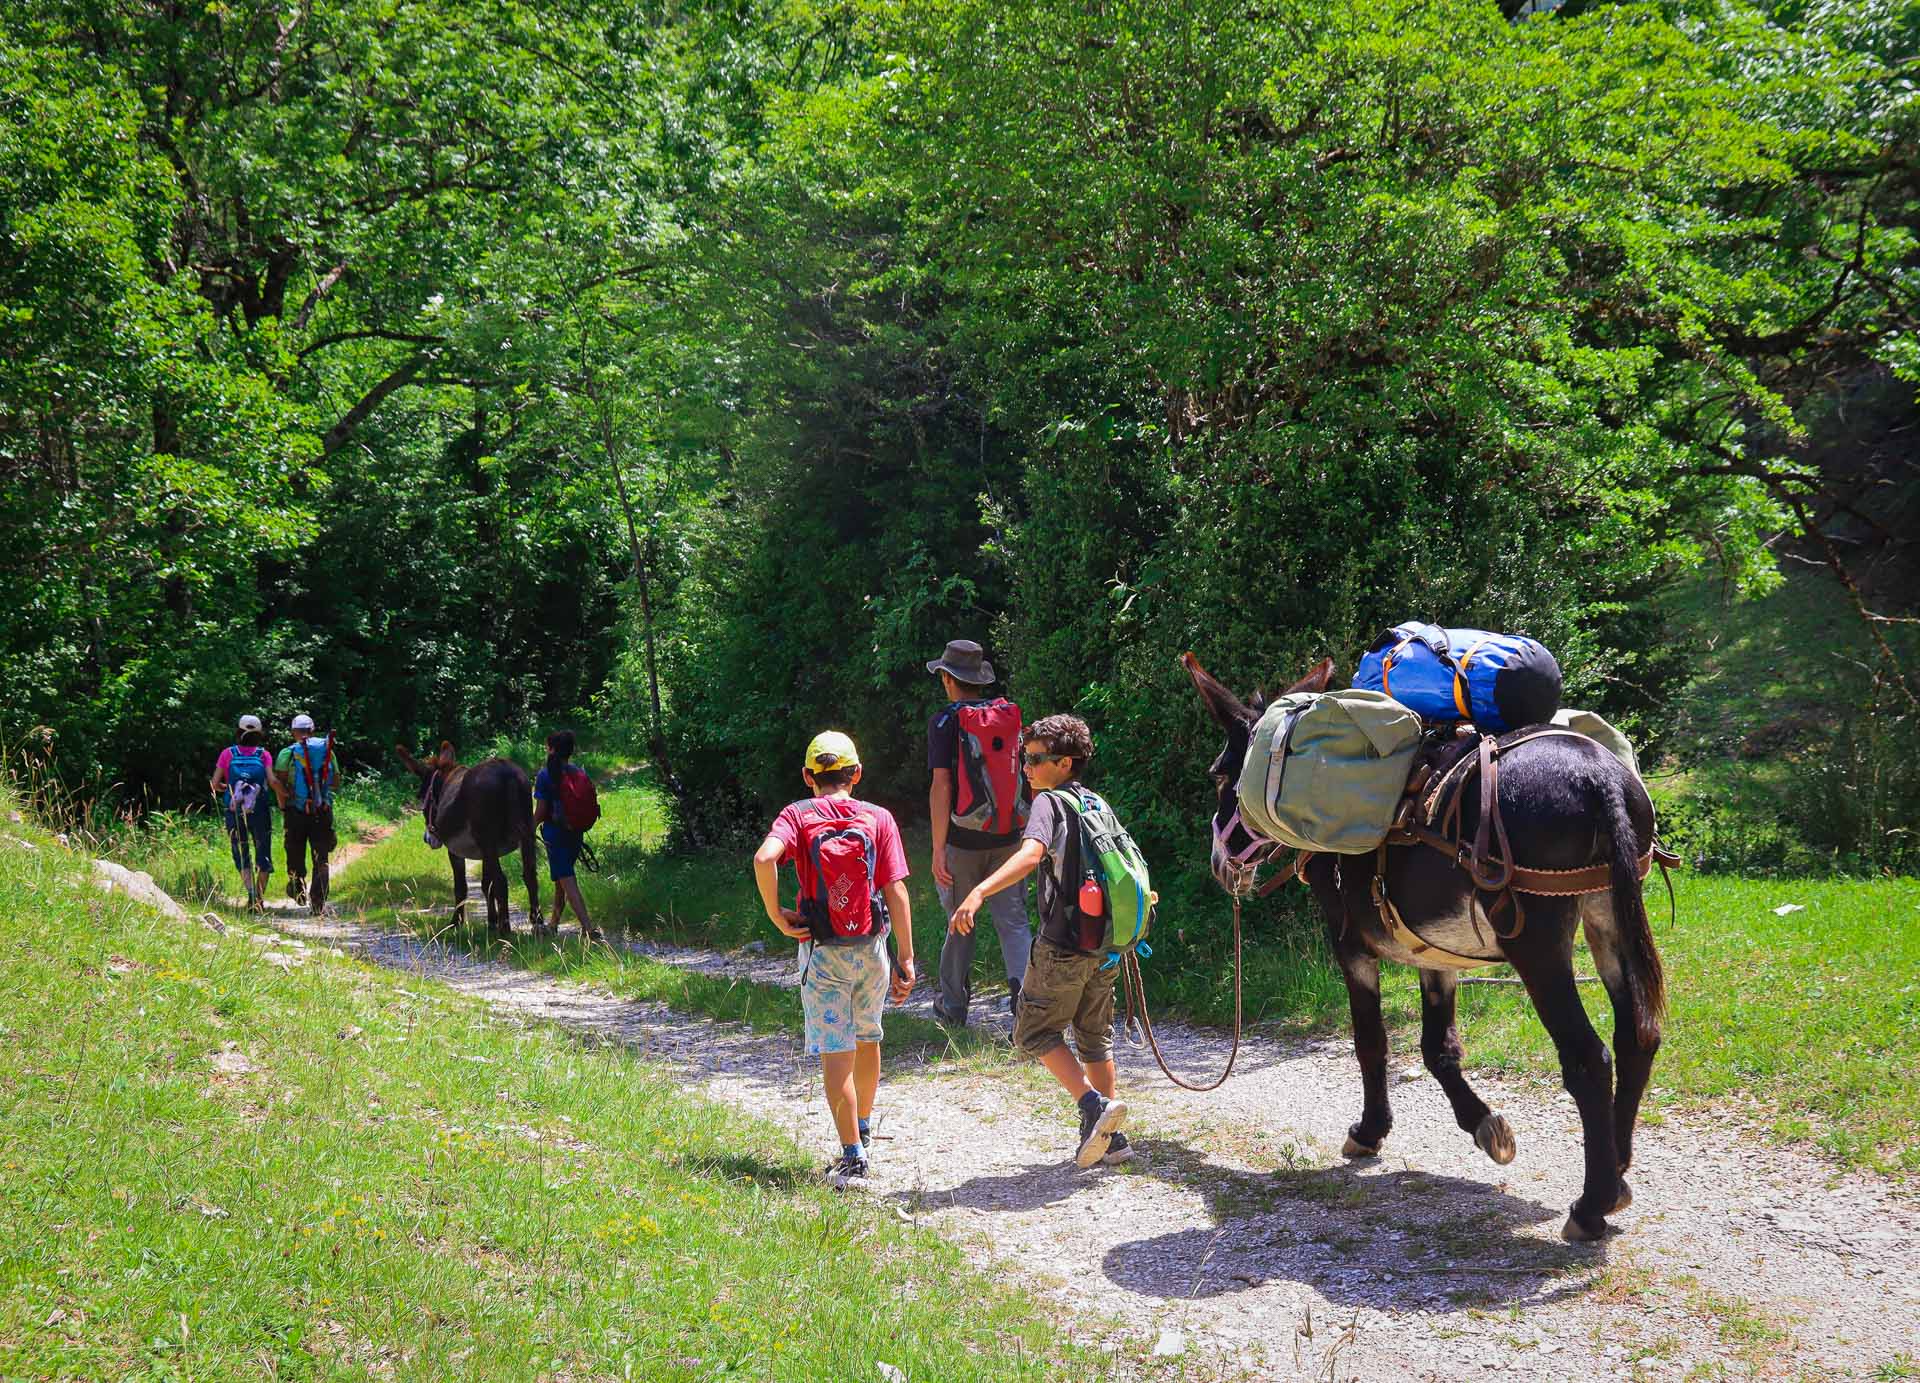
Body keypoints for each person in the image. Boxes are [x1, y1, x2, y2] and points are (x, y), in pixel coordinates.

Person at [950, 713, 1132, 1168]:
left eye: (1035, 759)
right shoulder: (1096, 803)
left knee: (1031, 1030)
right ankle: (1111, 1139)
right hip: (1108, 945)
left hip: (1065, 943)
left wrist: (978, 890)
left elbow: (1031, 855)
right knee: (1095, 1038)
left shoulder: (1050, 805)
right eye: (1022, 758)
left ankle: (1093, 1107)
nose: (1025, 769)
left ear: (1065, 763)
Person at [751, 731, 916, 1189]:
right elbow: (897, 889)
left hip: (823, 951)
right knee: (868, 1039)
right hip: (872, 948)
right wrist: (907, 955)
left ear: (808, 777)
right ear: (856, 774)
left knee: (835, 1053)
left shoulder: (798, 816)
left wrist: (777, 917)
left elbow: (765, 858)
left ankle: (852, 1158)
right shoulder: (878, 818)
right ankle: (863, 1129)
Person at [924, 638, 1031, 1027]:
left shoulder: (944, 721)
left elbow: (942, 787)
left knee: (960, 918)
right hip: (1009, 837)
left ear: (949, 679)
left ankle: (952, 1006)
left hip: (962, 841)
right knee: (1014, 921)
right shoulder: (1008, 715)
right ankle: (1026, 1007)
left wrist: (938, 849)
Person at [209, 713, 279, 911]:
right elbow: (272, 781)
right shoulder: (263, 754)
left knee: (241, 852)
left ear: (239, 732)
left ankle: (250, 893)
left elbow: (214, 784)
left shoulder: (227, 753)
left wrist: (229, 789)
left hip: (234, 811)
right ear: (259, 734)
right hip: (260, 811)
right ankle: (258, 899)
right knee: (262, 852)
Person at [533, 729, 597, 940]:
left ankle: (588, 929)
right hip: (576, 833)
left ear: (551, 750)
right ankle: (553, 925)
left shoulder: (545, 776)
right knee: (561, 881)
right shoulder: (578, 772)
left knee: (568, 882)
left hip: (556, 834)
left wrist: (529, 829)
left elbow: (541, 812)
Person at [272, 712, 337, 914]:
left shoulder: (287, 754)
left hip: (295, 811)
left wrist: (284, 808)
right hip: (322, 811)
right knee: (321, 857)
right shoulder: (328, 752)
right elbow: (335, 782)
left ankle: (297, 887)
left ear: (293, 732)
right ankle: (318, 902)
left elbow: (280, 784)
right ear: (312, 730)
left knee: (294, 851)